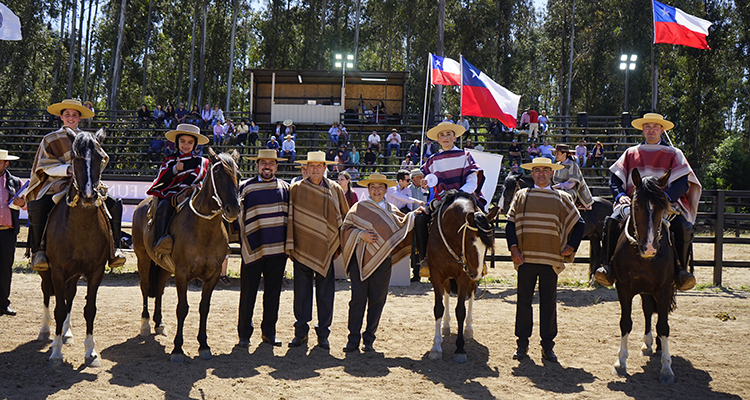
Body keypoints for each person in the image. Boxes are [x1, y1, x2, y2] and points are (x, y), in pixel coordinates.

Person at [594, 113, 700, 291]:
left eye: (655, 127)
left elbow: (683, 183)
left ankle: (681, 271)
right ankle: (609, 268)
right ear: (642, 129)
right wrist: (620, 196)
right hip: (633, 204)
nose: (651, 130)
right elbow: (614, 180)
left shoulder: (674, 153)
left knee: (684, 227)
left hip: (664, 204)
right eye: (648, 127)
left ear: (662, 129)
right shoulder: (631, 152)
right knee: (611, 222)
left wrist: (665, 198)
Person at [25, 99, 126, 271]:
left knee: (115, 204)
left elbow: (103, 158)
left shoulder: (88, 138)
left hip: (86, 181)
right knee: (37, 207)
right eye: (67, 115)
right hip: (56, 183)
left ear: (79, 118)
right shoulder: (50, 139)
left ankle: (114, 248)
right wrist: (68, 170)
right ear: (61, 117)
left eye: (74, 115)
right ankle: (38, 252)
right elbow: (44, 165)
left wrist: (88, 171)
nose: (71, 118)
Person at [506, 157, 585, 363]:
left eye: (545, 170)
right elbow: (510, 224)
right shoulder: (521, 195)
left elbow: (580, 224)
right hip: (525, 257)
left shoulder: (562, 197)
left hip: (551, 258)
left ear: (552, 174)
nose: (541, 173)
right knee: (523, 302)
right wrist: (513, 249)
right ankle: (522, 344)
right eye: (537, 170)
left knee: (548, 303)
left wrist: (571, 246)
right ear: (531, 174)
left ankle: (548, 346)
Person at [341, 174, 415, 352]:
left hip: (383, 262)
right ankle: (353, 339)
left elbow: (404, 225)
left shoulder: (392, 210)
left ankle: (369, 339)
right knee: (357, 300)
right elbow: (345, 229)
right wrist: (360, 235)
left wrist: (415, 214)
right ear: (368, 189)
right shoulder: (358, 208)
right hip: (358, 261)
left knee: (378, 300)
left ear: (385, 189)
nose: (376, 190)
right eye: (372, 186)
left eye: (379, 187)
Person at [286, 151, 350, 349]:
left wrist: (338, 244)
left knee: (325, 293)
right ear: (306, 168)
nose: (315, 169)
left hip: (327, 249)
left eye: (319, 166)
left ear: (325, 168)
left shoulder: (335, 189)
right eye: (311, 166)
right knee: (301, 292)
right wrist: (292, 244)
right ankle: (301, 332)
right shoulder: (296, 189)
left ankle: (323, 334)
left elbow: (344, 218)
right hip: (302, 247)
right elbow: (291, 218)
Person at [414, 121, 485, 277]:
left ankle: (482, 260)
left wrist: (459, 195)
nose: (445, 137)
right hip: (442, 200)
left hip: (464, 196)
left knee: (483, 219)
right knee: (419, 220)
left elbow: (472, 181)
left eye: (448, 134)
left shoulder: (465, 155)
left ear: (455, 137)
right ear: (438, 140)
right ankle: (424, 259)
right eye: (442, 135)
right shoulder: (432, 160)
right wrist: (425, 184)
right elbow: (428, 181)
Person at [237, 149, 290, 348]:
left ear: (276, 166)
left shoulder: (285, 188)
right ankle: (244, 334)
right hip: (252, 249)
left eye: (271, 163)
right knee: (248, 293)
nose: (267, 166)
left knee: (273, 294)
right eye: (263, 163)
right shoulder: (246, 188)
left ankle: (269, 333)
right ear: (257, 165)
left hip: (277, 251)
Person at [146, 124, 210, 256]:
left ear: (195, 144)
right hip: (172, 193)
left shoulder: (201, 161)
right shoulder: (170, 161)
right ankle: (160, 240)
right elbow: (161, 178)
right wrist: (175, 169)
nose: (186, 145)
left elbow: (204, 180)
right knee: (164, 205)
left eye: (190, 142)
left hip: (195, 193)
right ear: (177, 143)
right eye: (182, 141)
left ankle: (218, 242)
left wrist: (195, 187)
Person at [0, 149, 23, 316]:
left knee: (5, 269)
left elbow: (27, 204)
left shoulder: (15, 182)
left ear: (6, 163)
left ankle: (3, 303)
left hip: (7, 232)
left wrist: (22, 202)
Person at [552, 144, 594, 210]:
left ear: (564, 154)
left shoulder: (572, 165)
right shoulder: (557, 165)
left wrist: (558, 186)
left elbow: (571, 184)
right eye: (555, 153)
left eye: (557, 153)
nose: (556, 155)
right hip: (558, 189)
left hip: (571, 190)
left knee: (562, 197)